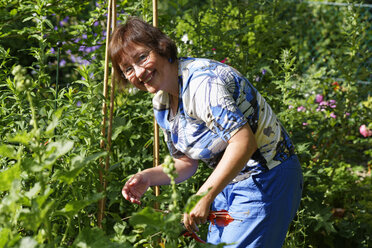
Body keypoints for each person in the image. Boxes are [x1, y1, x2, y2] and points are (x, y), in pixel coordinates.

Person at [110, 17, 303, 248]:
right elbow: (185, 162)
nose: (139, 72)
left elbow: (243, 143)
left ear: (161, 47)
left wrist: (203, 196)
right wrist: (147, 177)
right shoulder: (162, 101)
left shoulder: (202, 84)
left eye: (142, 57)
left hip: (266, 176)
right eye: (128, 69)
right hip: (230, 182)